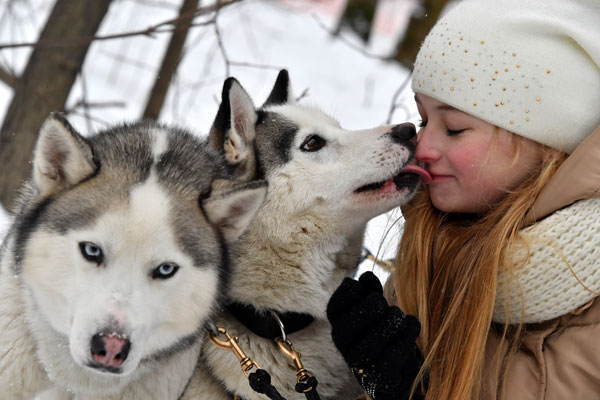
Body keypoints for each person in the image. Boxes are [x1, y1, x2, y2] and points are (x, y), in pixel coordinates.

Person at [327, 0, 600, 399]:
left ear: (547, 144)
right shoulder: (432, 244)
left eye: (454, 128)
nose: (424, 145)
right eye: (423, 120)